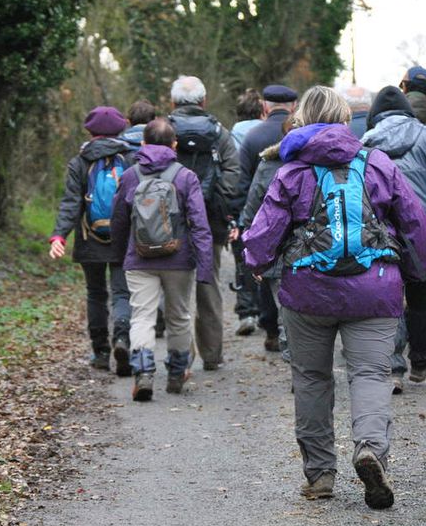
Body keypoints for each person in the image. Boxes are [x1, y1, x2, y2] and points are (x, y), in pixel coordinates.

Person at [243, 86, 426, 509]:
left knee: (311, 378)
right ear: (346, 121)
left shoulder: (291, 171)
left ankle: (320, 474)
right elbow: (414, 221)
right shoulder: (378, 163)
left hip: (308, 290)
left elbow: (263, 232)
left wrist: (257, 262)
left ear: (301, 121)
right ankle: (369, 450)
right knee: (369, 374)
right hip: (375, 287)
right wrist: (415, 272)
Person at [361, 85, 426, 392]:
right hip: (422, 228)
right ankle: (419, 359)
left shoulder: (366, 143)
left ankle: (392, 368)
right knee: (419, 295)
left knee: (387, 294)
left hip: (380, 228)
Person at [110, 118, 214, 401]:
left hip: (139, 258)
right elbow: (200, 225)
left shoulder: (131, 175)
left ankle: (143, 374)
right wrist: (205, 266)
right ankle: (177, 373)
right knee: (179, 316)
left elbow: (118, 220)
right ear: (174, 144)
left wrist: (120, 255)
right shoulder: (185, 176)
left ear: (143, 144)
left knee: (142, 317)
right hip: (179, 260)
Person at [49, 106, 134, 376]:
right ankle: (122, 339)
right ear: (121, 128)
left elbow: (71, 202)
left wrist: (60, 235)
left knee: (96, 294)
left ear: (90, 130)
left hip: (89, 239)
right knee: (122, 292)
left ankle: (100, 353)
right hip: (124, 237)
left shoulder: (80, 161)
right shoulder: (131, 158)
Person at [167, 76, 240, 371]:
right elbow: (233, 171)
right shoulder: (219, 132)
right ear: (204, 101)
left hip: (169, 219)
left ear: (172, 102)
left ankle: (181, 355)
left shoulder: (164, 128)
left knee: (176, 288)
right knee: (208, 285)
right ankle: (212, 355)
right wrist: (215, 201)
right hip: (210, 221)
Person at [231, 84, 299, 337]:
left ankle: (271, 327)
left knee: (268, 273)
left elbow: (243, 182)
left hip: (265, 219)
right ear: (294, 106)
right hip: (302, 222)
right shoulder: (305, 136)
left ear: (264, 106)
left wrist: (241, 222)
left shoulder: (252, 137)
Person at [239, 116, 295, 356]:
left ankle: (298, 368)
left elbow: (252, 213)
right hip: (317, 252)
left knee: (287, 314)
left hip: (278, 253)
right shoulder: (325, 165)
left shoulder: (268, 166)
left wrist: (254, 253)